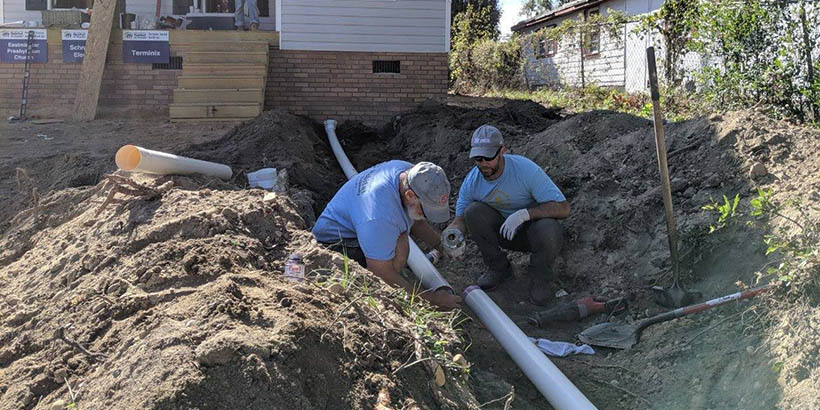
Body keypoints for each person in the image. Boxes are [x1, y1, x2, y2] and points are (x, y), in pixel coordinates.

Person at [443, 125, 569, 305]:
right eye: (478, 158)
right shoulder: (473, 181)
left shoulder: (525, 170)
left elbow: (563, 208)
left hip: (532, 234)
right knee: (473, 211)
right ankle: (499, 268)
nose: (483, 163)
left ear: (502, 151)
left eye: (488, 157)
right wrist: (453, 234)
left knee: (549, 227)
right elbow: (461, 219)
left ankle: (540, 277)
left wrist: (525, 214)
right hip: (503, 233)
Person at [312, 161, 461, 310]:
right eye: (426, 210)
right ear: (409, 195)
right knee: (401, 245)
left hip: (360, 231)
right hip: (332, 248)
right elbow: (381, 272)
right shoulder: (379, 215)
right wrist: (433, 300)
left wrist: (440, 246)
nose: (427, 216)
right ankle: (383, 297)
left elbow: (417, 220)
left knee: (400, 234)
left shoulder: (408, 173)